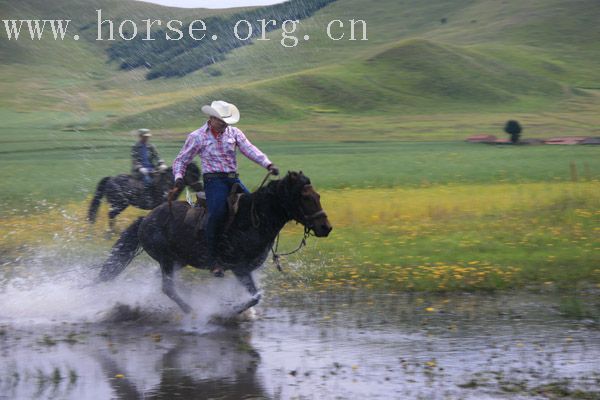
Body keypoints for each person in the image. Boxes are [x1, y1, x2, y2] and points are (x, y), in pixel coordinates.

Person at [172, 101, 279, 277]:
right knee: (217, 213)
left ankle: (251, 253)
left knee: (254, 209)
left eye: (226, 120)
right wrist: (178, 178)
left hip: (233, 179)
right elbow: (181, 160)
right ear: (211, 118)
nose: (225, 124)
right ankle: (214, 259)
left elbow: (249, 149)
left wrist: (267, 164)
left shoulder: (234, 133)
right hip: (214, 182)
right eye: (222, 120)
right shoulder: (197, 136)